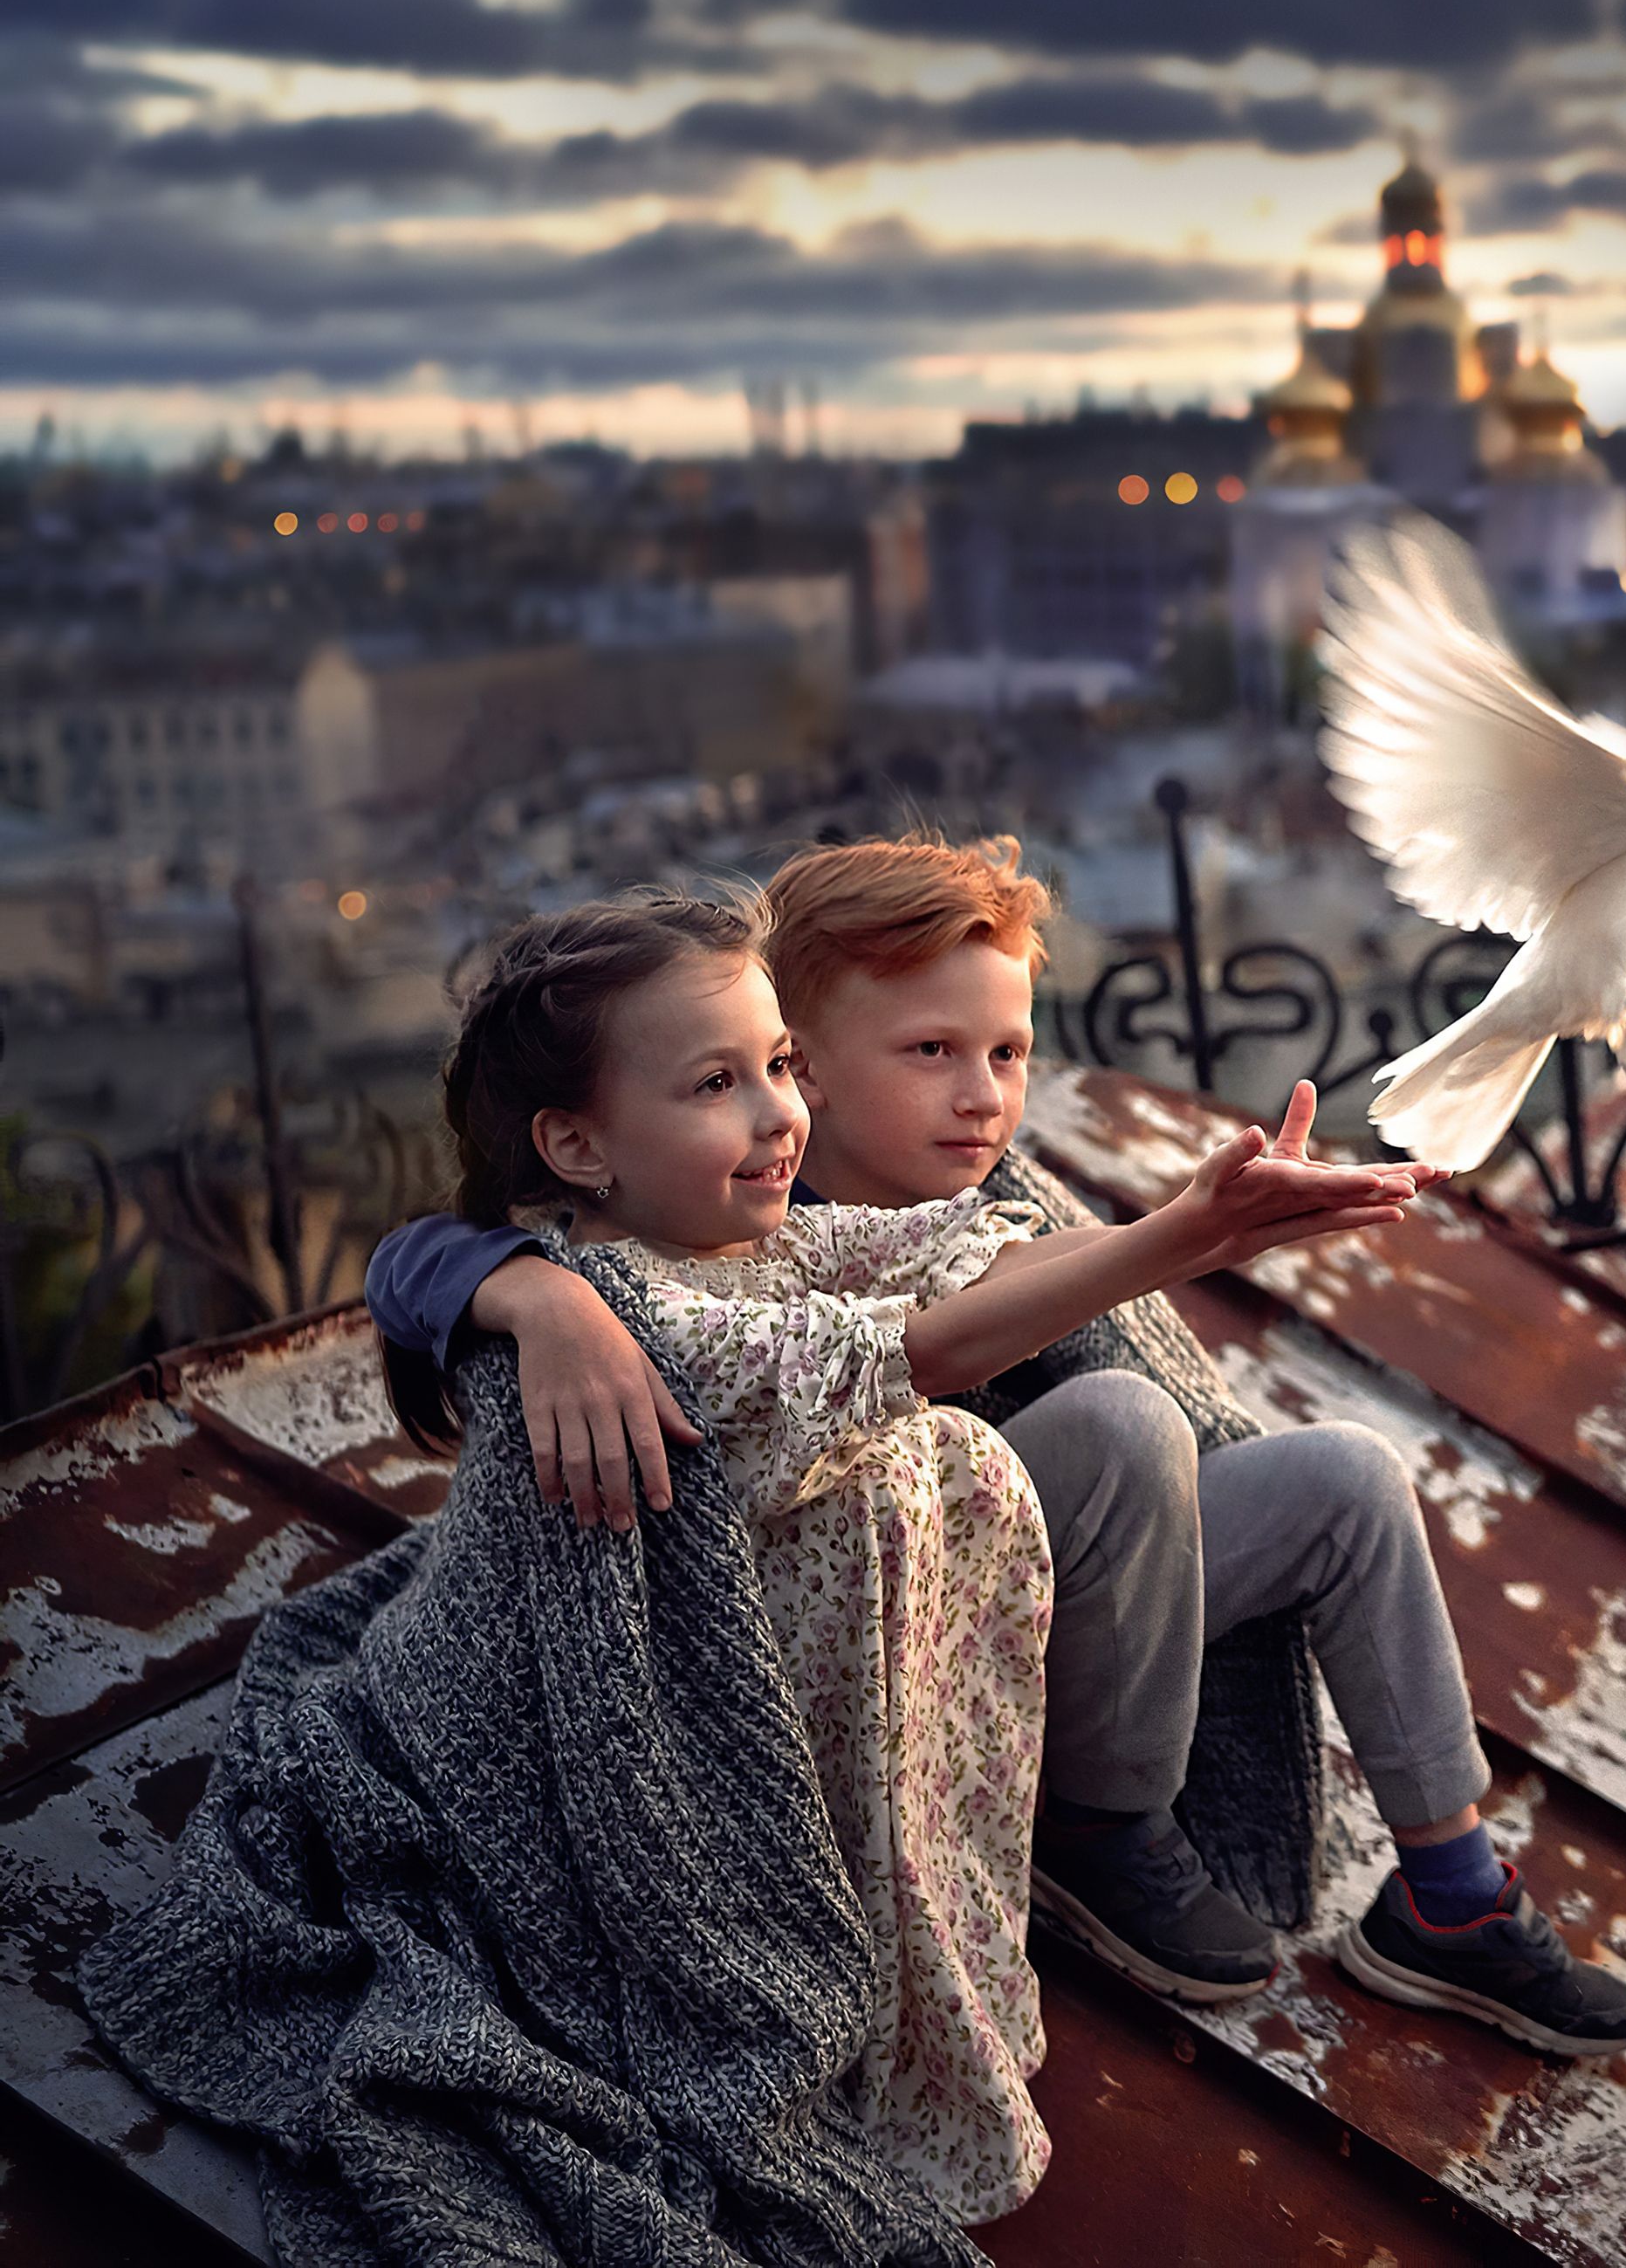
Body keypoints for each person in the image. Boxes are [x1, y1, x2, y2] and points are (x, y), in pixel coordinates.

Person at [366, 836, 1626, 2063]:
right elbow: (431, 1248)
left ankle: (1453, 1894)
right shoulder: (725, 1210)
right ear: (804, 1058)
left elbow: (1049, 1287)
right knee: (1117, 1424)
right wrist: (529, 1288)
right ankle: (1101, 1829)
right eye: (930, 1051)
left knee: (1347, 1478)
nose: (981, 1092)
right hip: (889, 1651)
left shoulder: (990, 1191)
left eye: (1008, 1050)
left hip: (1072, 1609)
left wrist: (1204, 1223)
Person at [399, 890, 1424, 2216]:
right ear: (575, 1140)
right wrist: (1186, 1235)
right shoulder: (639, 1296)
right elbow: (911, 1343)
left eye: (775, 1071)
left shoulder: (738, 1226)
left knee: (1102, 1449)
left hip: (870, 1686)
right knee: (955, 1451)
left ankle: (1416, 1881)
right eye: (729, 1080)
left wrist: (1178, 1221)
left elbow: (941, 1257)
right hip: (701, 1770)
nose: (778, 1112)